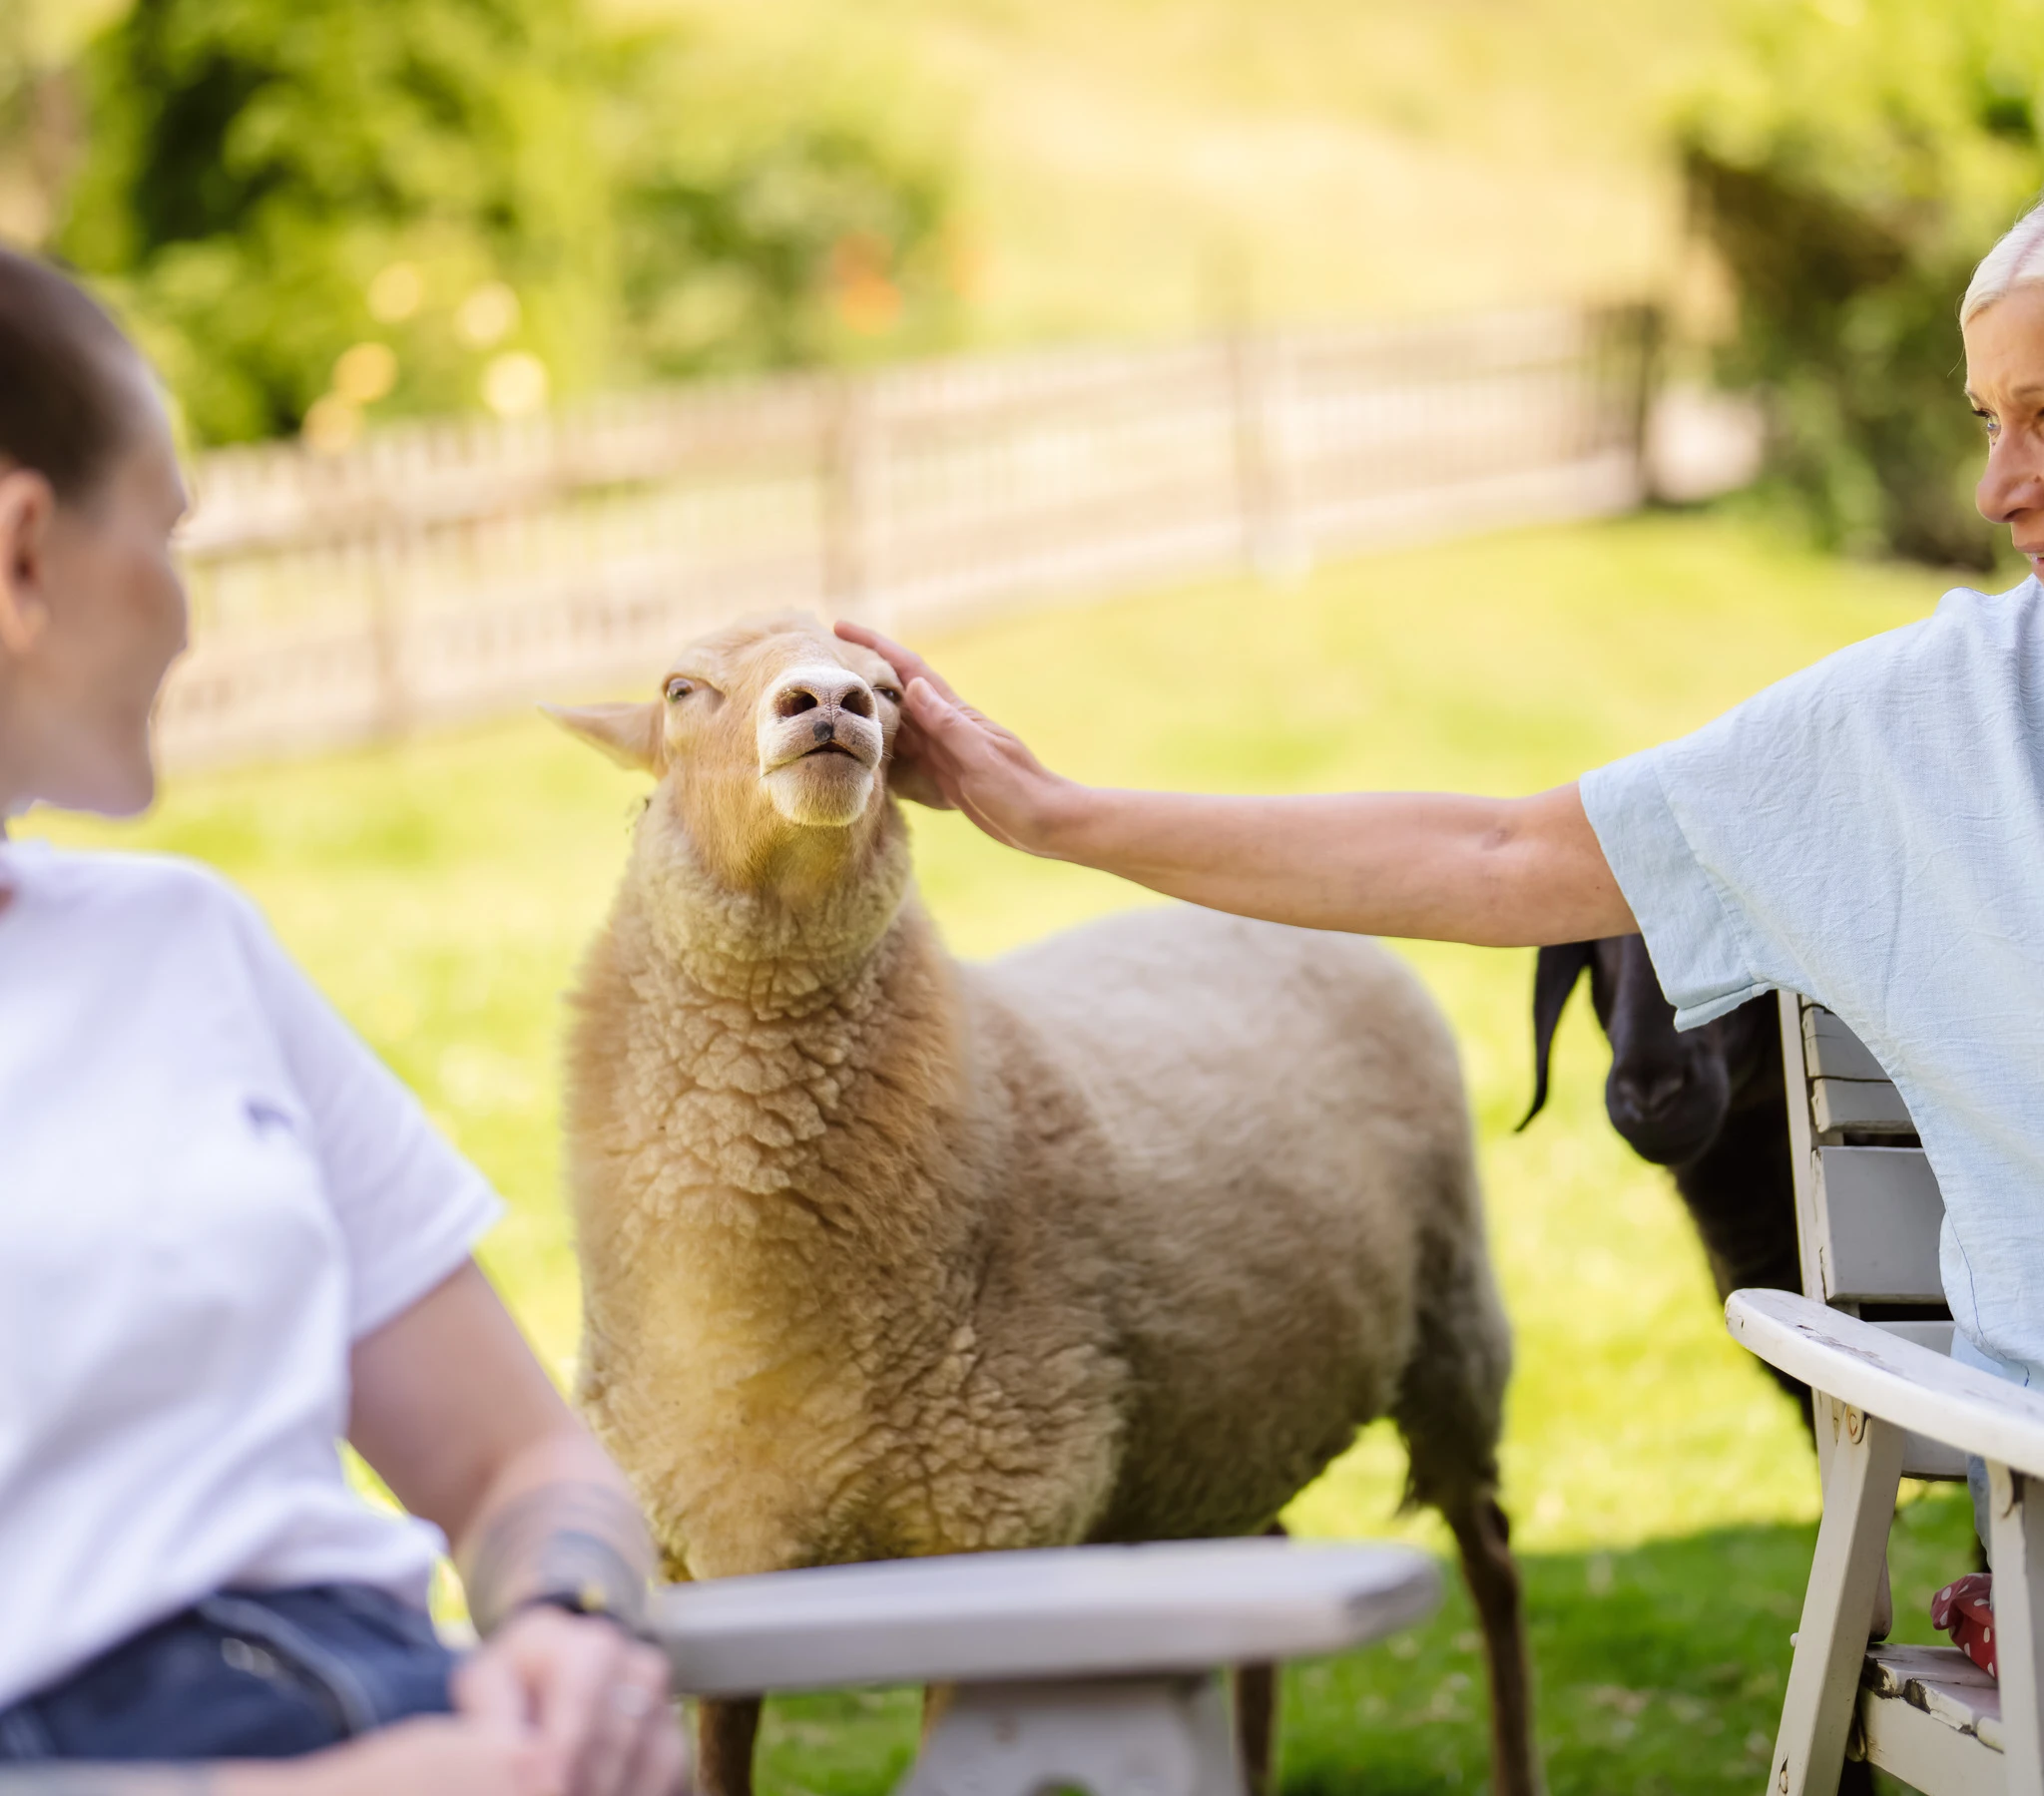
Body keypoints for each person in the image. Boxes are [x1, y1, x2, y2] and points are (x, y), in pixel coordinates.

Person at [842, 200, 2044, 1640]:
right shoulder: (1922, 726)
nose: (1998, 488)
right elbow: (1491, 853)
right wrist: (1049, 813)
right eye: (1987, 420)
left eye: (2043, 418)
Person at [0, 248, 688, 1795]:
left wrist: (569, 1627)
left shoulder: (187, 950)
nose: (185, 621)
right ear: (25, 554)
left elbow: (520, 1461)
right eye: (166, 537)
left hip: (415, 1716)